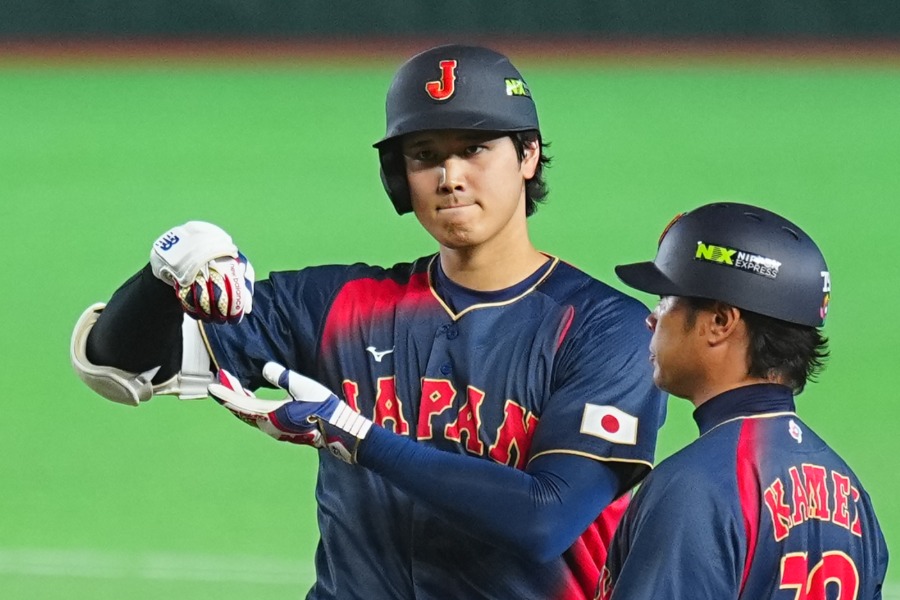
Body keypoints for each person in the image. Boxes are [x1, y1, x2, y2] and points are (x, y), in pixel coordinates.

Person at [71, 43, 667, 599]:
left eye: (475, 148)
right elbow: (119, 364)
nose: (450, 176)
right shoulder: (338, 304)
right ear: (399, 176)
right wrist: (165, 271)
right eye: (425, 156)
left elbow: (546, 518)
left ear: (528, 155)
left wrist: (354, 436)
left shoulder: (605, 329)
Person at [596, 202, 889, 599]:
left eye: (666, 299)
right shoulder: (852, 496)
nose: (652, 318)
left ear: (720, 322)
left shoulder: (696, 486)